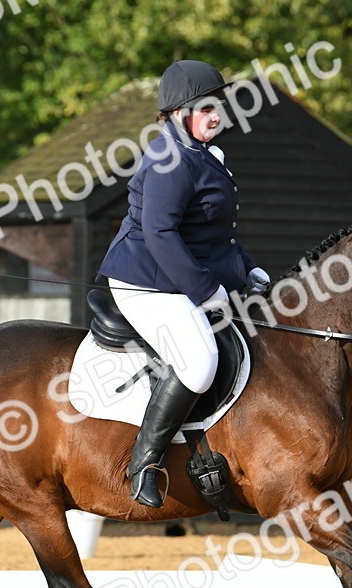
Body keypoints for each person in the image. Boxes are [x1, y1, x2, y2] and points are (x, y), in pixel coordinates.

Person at [96, 59, 269, 508]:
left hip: (178, 276)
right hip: (146, 282)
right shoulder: (171, 159)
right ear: (178, 113)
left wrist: (246, 268)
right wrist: (205, 289)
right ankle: (142, 464)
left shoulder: (204, 154)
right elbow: (161, 234)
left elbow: (213, 232)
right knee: (198, 361)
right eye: (206, 107)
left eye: (220, 106)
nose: (217, 115)